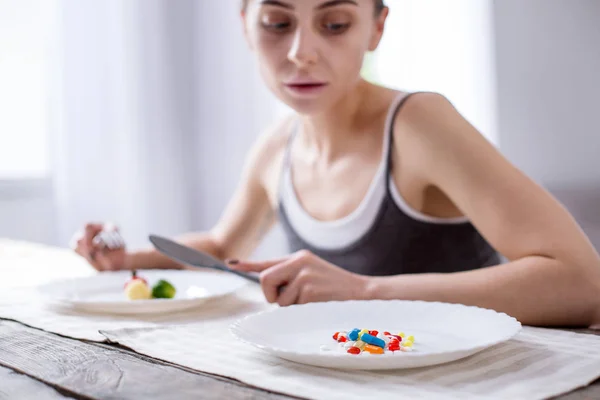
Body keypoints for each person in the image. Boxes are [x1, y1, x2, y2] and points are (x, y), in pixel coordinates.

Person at [72, 0, 600, 328]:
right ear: (245, 26)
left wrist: (365, 290)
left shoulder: (420, 124)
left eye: (336, 22)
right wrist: (129, 260)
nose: (302, 51)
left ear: (376, 28)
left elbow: (582, 285)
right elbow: (221, 247)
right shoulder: (277, 145)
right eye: (277, 22)